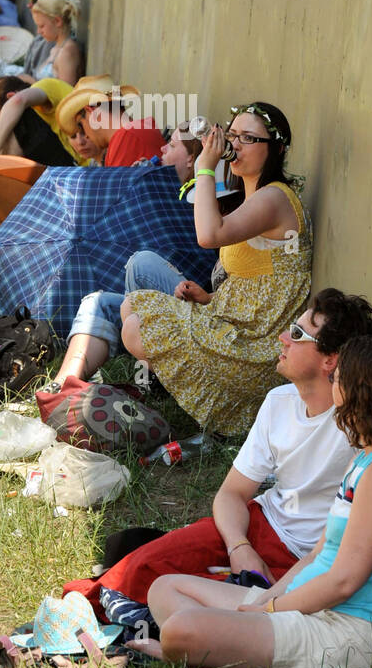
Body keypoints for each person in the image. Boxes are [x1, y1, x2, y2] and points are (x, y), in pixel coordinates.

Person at [63, 290, 372, 627]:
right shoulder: (279, 401)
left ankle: (143, 619)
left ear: (329, 360)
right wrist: (239, 546)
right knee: (137, 568)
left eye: (299, 334)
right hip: (255, 525)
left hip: (301, 563)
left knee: (202, 605)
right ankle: (99, 614)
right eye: (291, 327)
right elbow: (232, 493)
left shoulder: (355, 426)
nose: (283, 338)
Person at [133, 335, 372, 668]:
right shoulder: (367, 457)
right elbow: (318, 556)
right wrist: (266, 601)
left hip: (352, 630)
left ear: (353, 392)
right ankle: (209, 653)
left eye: (336, 378)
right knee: (165, 588)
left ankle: (191, 652)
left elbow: (344, 583)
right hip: (309, 607)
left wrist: (269, 612)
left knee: (178, 630)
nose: (331, 385)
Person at [120, 102, 312, 436]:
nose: (234, 145)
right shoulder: (254, 197)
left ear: (276, 149)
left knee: (135, 326)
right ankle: (192, 392)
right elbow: (259, 283)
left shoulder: (275, 199)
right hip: (236, 323)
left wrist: (205, 168)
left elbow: (208, 236)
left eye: (248, 138)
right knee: (130, 306)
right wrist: (208, 297)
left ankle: (206, 399)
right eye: (232, 135)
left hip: (258, 349)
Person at [53, 123, 205, 386]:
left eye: (173, 145)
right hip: (160, 305)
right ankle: (63, 384)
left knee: (140, 264)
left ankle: (149, 377)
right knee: (96, 301)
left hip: (191, 299)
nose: (162, 148)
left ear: (192, 158)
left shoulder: (199, 195)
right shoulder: (160, 185)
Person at [0, 77, 91, 167]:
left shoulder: (45, 85)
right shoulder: (41, 114)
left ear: (11, 96)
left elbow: (17, 101)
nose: (7, 126)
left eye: (4, 117)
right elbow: (12, 160)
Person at [55, 80, 163, 168]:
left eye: (81, 125)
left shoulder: (125, 138)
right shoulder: (139, 128)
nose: (86, 135)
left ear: (91, 110)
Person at [13, 0, 82, 86]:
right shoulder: (57, 48)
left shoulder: (66, 53)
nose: (38, 32)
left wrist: (31, 81)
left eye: (41, 26)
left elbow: (66, 94)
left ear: (57, 21)